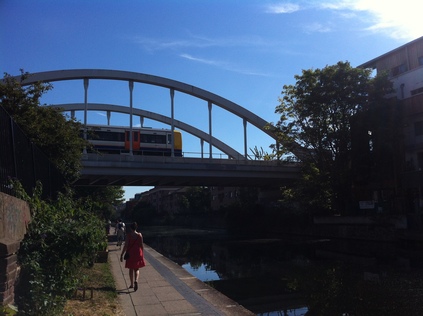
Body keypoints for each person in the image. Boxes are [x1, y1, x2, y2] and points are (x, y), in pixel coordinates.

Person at [120, 222, 145, 291]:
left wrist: (122, 254)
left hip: (130, 253)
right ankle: (136, 280)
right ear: (136, 227)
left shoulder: (128, 236)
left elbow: (126, 246)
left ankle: (131, 284)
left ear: (131, 228)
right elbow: (141, 245)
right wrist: (142, 253)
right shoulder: (139, 235)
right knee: (137, 269)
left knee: (131, 269)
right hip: (138, 253)